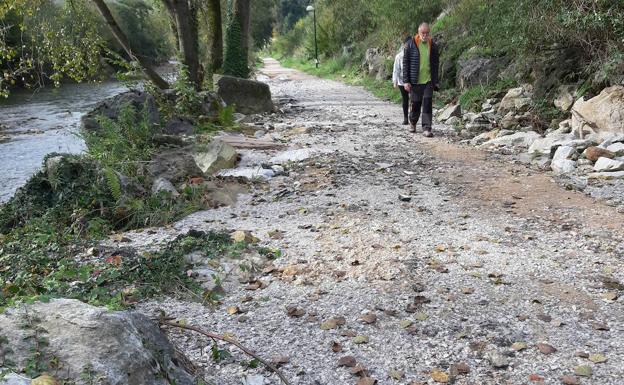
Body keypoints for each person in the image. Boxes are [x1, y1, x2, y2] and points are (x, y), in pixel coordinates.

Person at [403, 22, 439, 137]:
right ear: (418, 33)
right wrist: (406, 81)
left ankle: (427, 128)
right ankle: (413, 122)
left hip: (428, 81)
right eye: (423, 33)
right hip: (415, 81)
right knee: (416, 105)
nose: (425, 35)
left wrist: (435, 80)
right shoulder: (411, 44)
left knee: (427, 103)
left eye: (427, 33)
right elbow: (405, 63)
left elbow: (435, 63)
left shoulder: (432, 45)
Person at [392, 36, 412, 125]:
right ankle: (405, 118)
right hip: (401, 81)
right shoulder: (399, 56)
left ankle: (412, 118)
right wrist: (395, 81)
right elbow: (396, 69)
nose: (409, 46)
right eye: (407, 45)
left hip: (413, 81)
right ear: (404, 45)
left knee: (414, 100)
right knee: (405, 99)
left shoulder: (415, 55)